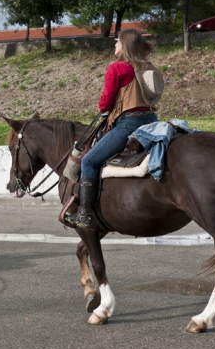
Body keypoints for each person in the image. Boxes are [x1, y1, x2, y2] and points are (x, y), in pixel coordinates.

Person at [66, 29, 159, 229]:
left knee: (89, 160)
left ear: (124, 45)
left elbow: (105, 104)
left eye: (117, 42)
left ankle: (84, 214)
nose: (114, 45)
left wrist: (105, 108)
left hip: (129, 123)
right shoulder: (148, 67)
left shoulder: (117, 68)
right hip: (152, 121)